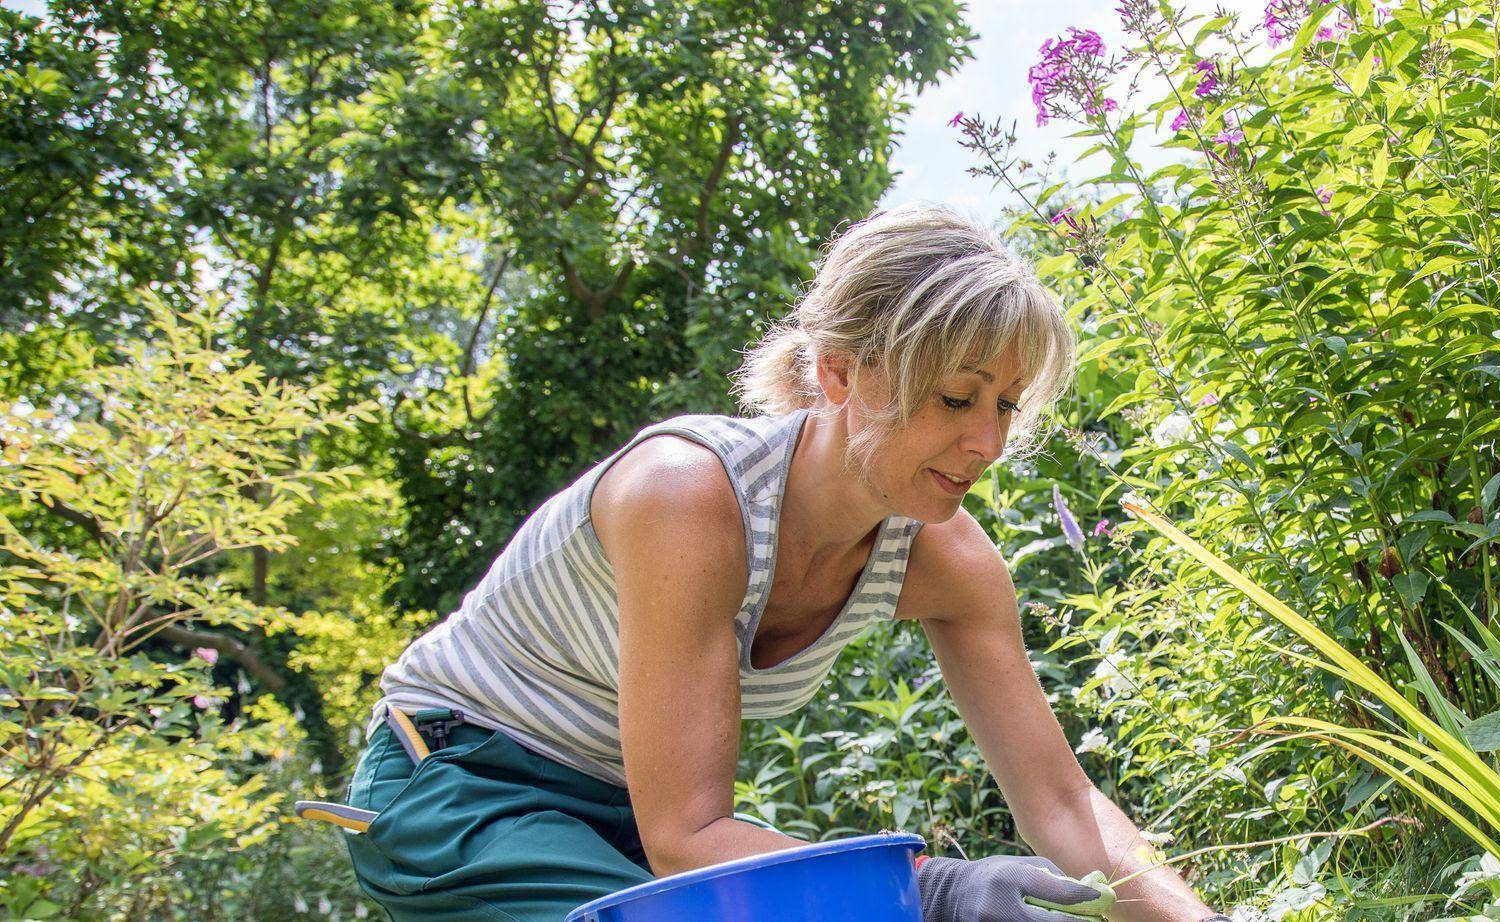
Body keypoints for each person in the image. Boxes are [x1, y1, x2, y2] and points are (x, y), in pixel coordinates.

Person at [338, 204, 1236, 922]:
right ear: (841, 373)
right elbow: (689, 837)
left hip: (624, 820)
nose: (987, 441)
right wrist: (936, 893)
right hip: (459, 783)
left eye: (1005, 405)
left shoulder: (948, 560)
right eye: (956, 397)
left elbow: (1066, 807)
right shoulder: (687, 496)